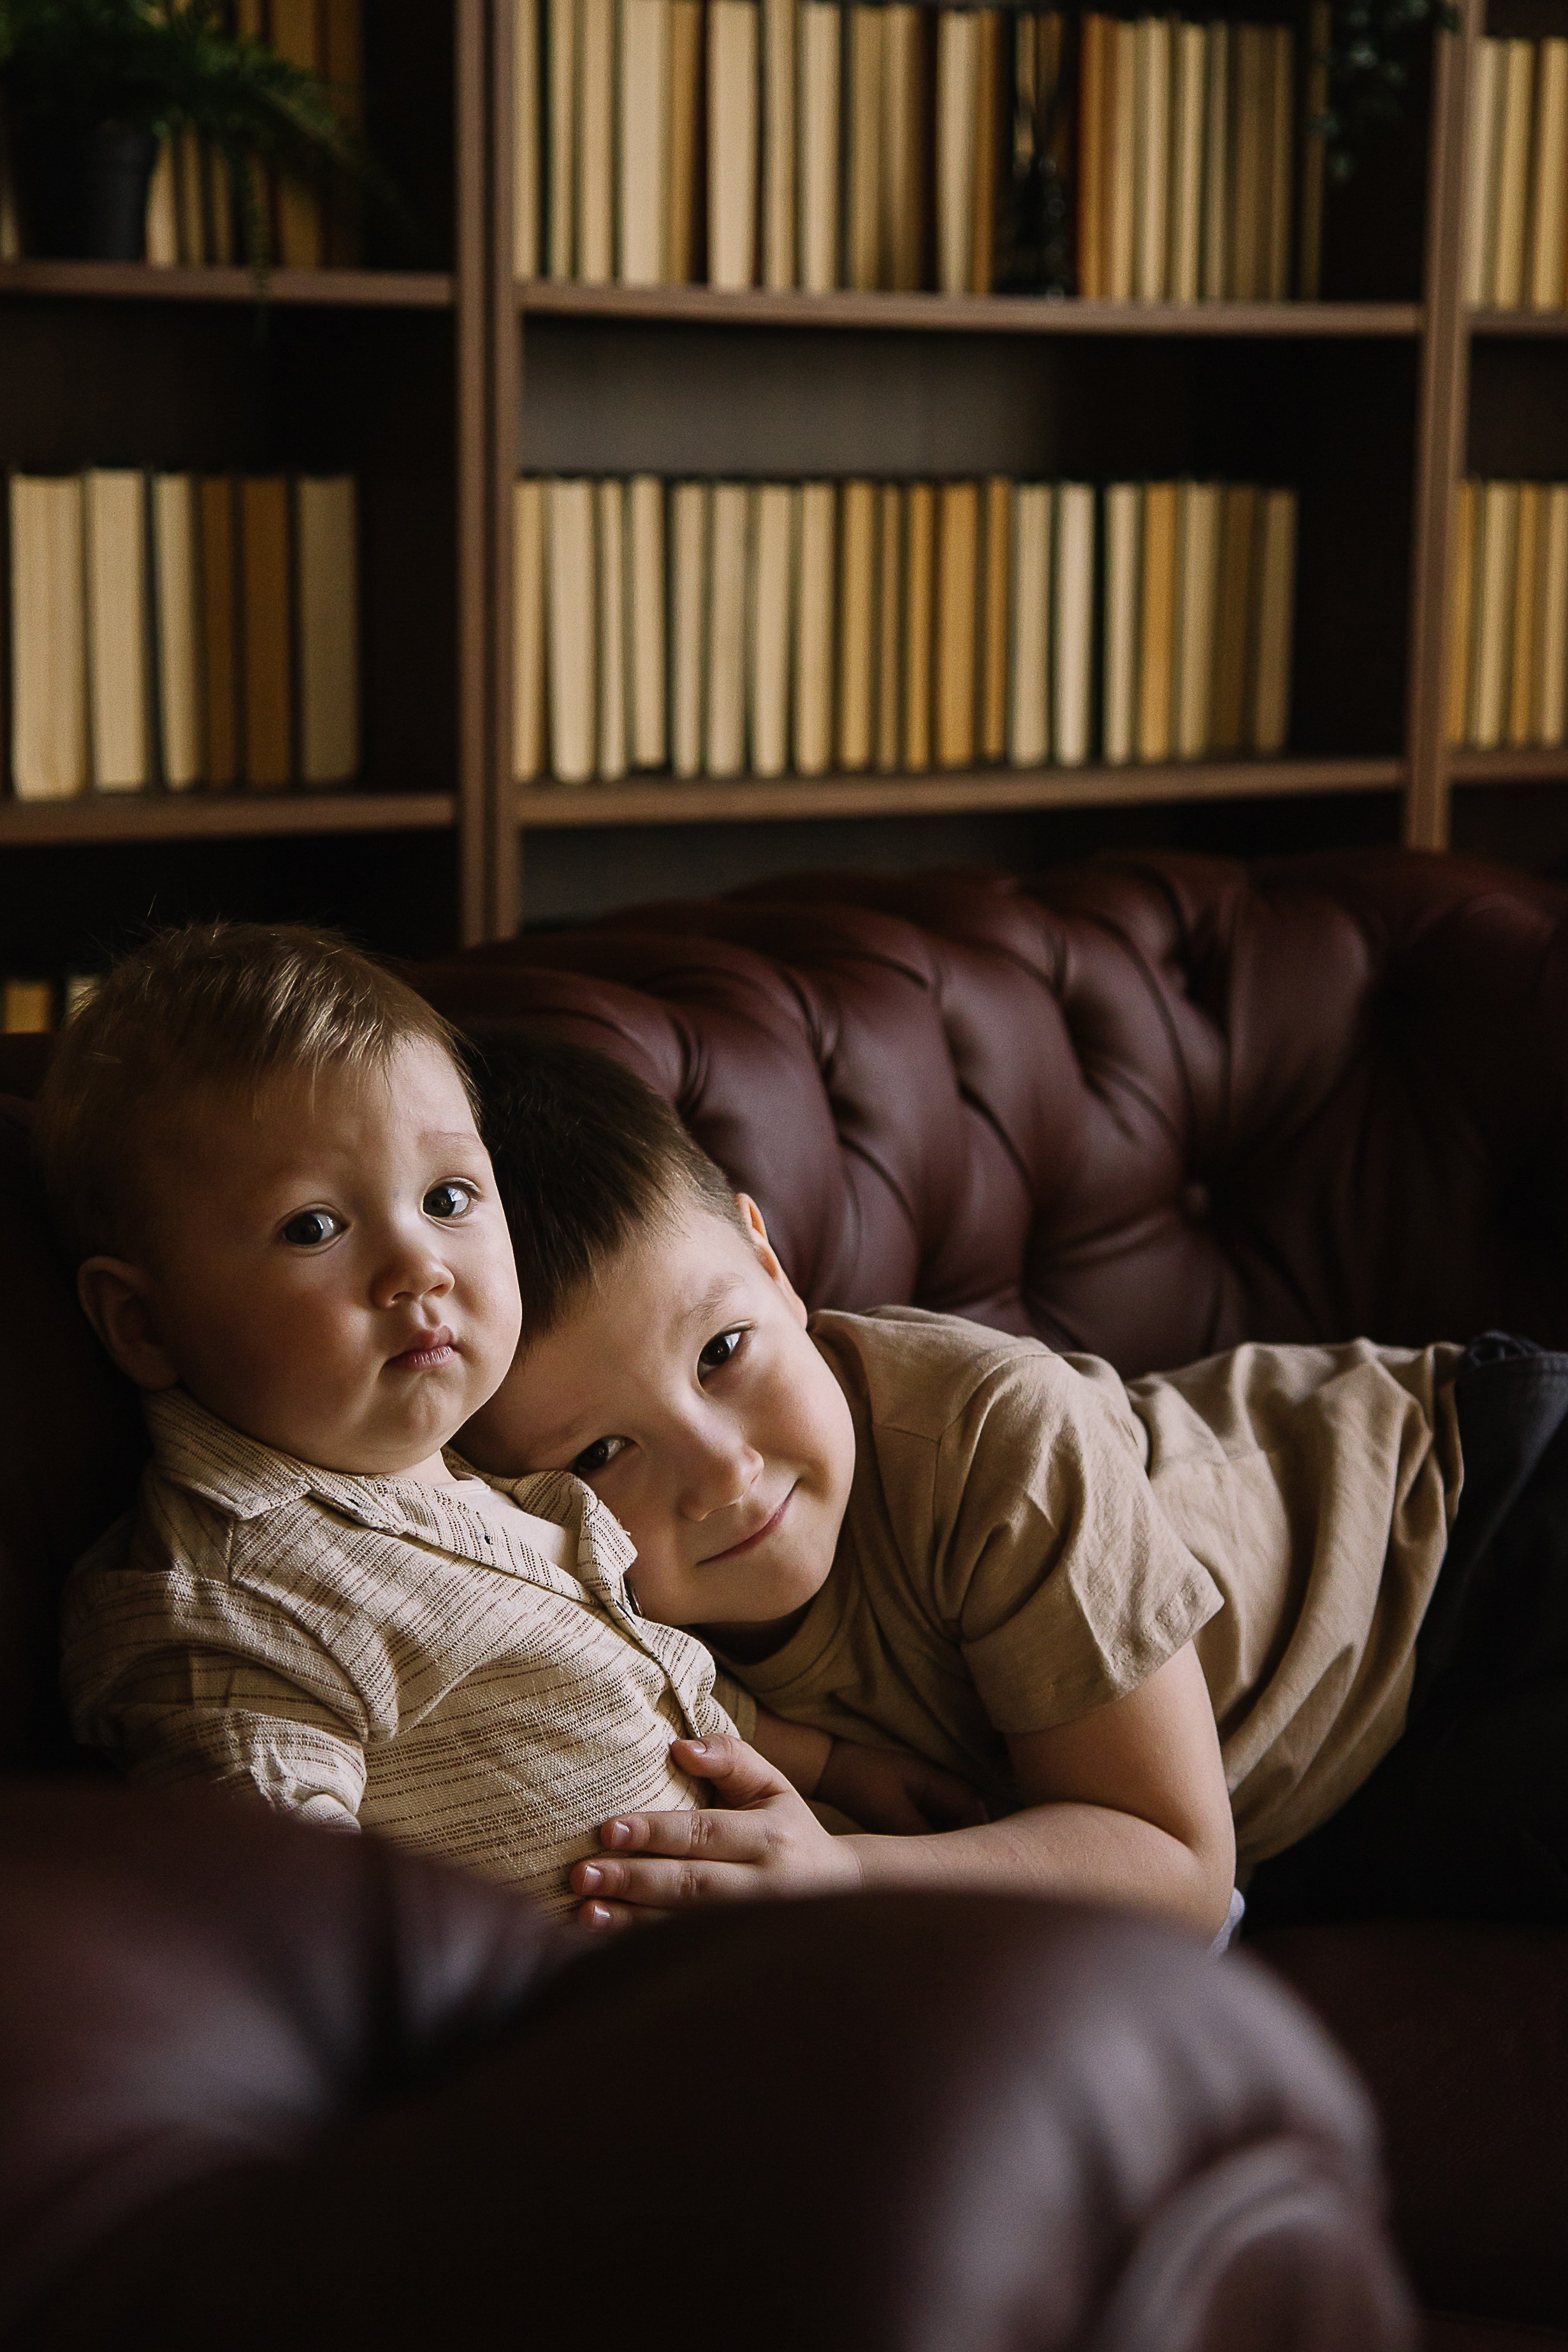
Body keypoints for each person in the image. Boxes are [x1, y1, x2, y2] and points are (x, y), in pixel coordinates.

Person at [458, 1036, 1568, 1937]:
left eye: (724, 1351)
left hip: (1459, 1521)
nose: (724, 1472)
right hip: (1315, 1781)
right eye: (601, 1455)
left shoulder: (991, 1432)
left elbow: (1176, 1863)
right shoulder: (544, 1596)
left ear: (772, 1265)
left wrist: (843, 1874)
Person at [50, 924, 978, 1924]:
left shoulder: (484, 1474)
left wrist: (833, 1763)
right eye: (314, 1226)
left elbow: (644, 1688)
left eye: (447, 1196)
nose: (420, 1266)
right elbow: (289, 1916)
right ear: (145, 1323)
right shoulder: (237, 1597)